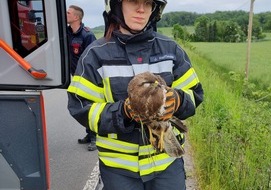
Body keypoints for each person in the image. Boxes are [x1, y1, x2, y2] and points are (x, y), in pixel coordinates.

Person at [67, 0, 204, 189]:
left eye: (148, 3)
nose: (141, 9)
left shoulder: (171, 50)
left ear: (155, 9)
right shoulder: (94, 55)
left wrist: (178, 100)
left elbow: (195, 94)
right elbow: (81, 108)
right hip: (119, 169)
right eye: (133, 1)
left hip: (167, 164)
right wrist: (123, 112)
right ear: (116, 5)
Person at [66, 5, 97, 151]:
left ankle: (95, 137)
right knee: (80, 106)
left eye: (68, 13)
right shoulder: (66, 33)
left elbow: (93, 58)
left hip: (87, 78)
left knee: (89, 105)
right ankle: (89, 134)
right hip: (75, 76)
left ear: (76, 17)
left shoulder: (87, 35)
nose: (65, 14)